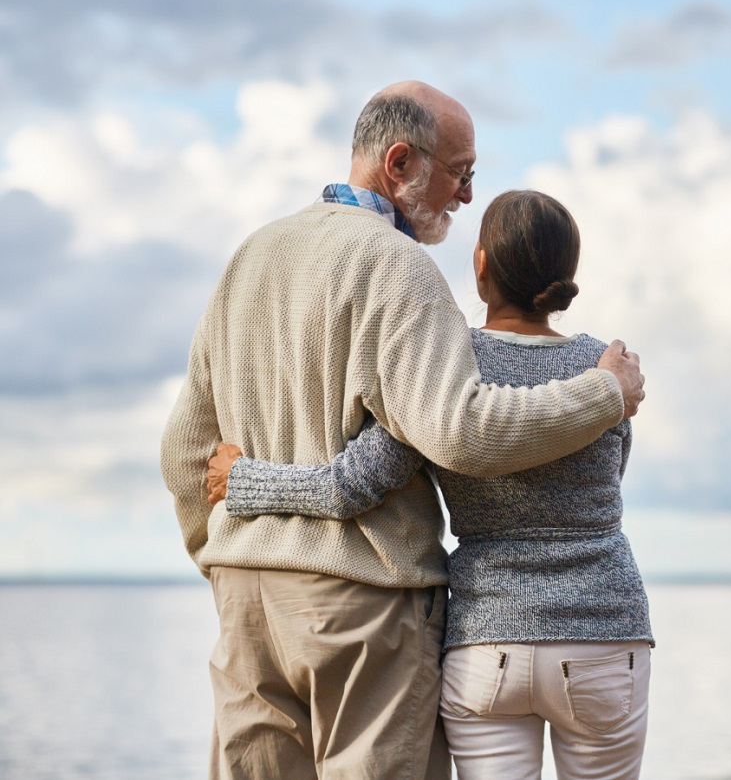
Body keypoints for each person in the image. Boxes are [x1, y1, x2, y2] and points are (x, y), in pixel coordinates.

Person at [159, 82, 645, 780]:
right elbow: (458, 432)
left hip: (247, 601)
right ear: (399, 162)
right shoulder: (399, 266)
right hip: (363, 606)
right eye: (461, 172)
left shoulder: (251, 255)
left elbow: (184, 453)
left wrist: (228, 560)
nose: (467, 195)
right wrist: (603, 393)